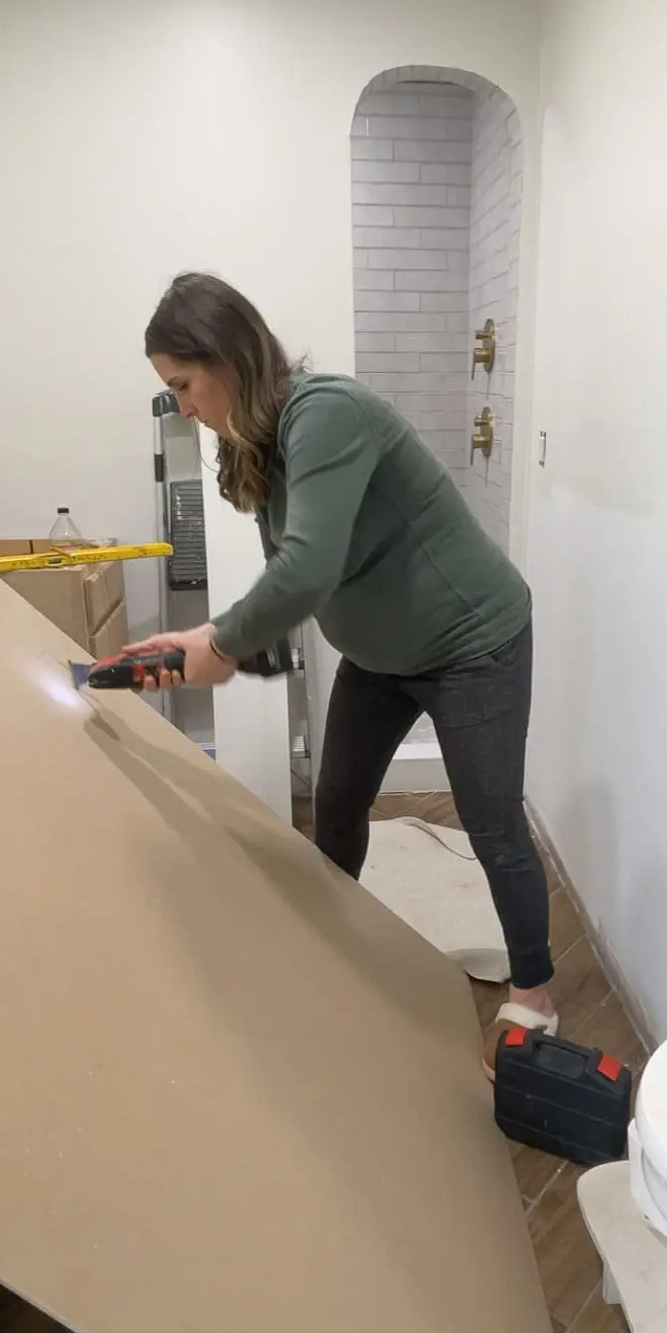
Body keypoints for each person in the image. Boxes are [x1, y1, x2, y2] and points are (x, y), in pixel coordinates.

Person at [126, 272, 556, 1073]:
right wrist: (215, 657)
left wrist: (212, 649)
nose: (182, 406)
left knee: (491, 823)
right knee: (338, 802)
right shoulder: (257, 447)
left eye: (184, 384)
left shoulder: (326, 414)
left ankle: (535, 995)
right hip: (381, 655)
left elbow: (307, 568)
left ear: (226, 358)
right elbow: (285, 574)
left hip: (473, 642)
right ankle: (328, 949)